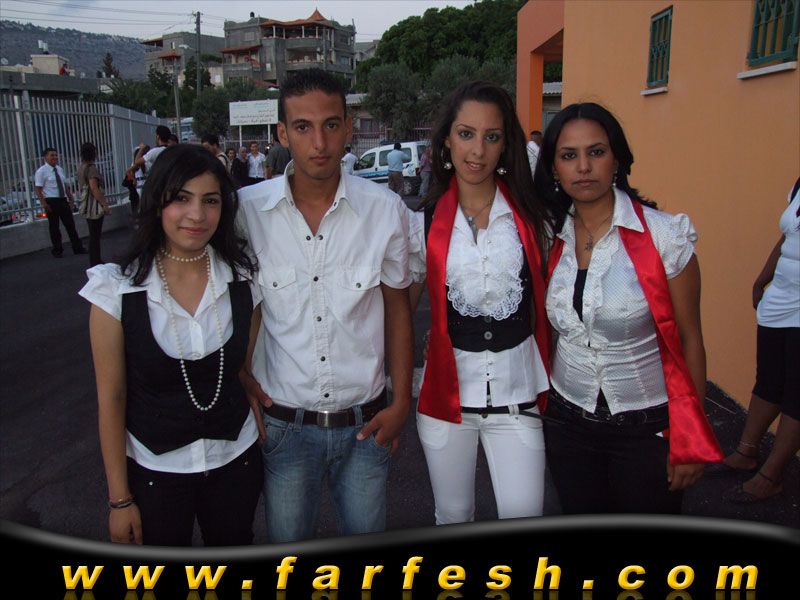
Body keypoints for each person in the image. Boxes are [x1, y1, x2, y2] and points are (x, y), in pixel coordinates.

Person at [236, 68, 413, 543]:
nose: (319, 142)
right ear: (282, 134)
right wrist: (240, 375)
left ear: (348, 127)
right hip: (284, 428)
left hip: (366, 426)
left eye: (331, 125)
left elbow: (398, 309)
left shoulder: (384, 210)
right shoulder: (246, 212)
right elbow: (235, 304)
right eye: (303, 127)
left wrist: (401, 402)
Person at [533, 102, 723, 514]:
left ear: (616, 159)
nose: (584, 167)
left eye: (596, 152)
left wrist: (689, 436)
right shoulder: (549, 236)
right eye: (569, 156)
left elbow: (690, 339)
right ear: (554, 169)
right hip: (567, 425)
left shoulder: (664, 236)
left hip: (646, 429)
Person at [78, 144, 263, 546]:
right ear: (157, 201)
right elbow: (112, 397)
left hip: (236, 461)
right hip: (154, 472)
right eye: (181, 198)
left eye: (210, 200)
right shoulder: (116, 289)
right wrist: (119, 500)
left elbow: (242, 365)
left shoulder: (243, 279)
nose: (197, 215)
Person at [408, 81, 553, 524]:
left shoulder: (533, 218)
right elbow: (398, 308)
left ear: (505, 144)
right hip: (446, 403)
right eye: (466, 134)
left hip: (518, 399)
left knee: (524, 516)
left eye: (492, 136)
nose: (478, 150)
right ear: (447, 140)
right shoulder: (422, 223)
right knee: (453, 516)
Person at [721, 177, 800, 503]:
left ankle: (771, 477)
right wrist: (761, 280)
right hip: (782, 296)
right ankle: (746, 452)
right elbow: (787, 237)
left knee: (796, 391)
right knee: (769, 379)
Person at [34, 147, 87, 258]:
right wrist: (44, 204)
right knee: (54, 227)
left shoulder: (59, 169)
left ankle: (77, 248)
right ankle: (57, 250)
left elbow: (64, 185)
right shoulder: (41, 171)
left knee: (70, 225)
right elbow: (38, 189)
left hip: (63, 200)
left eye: (55, 155)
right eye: (52, 155)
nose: (55, 157)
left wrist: (70, 198)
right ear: (45, 157)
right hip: (51, 201)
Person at [77, 142, 112, 266]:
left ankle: (94, 260)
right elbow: (94, 188)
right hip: (94, 205)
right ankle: (95, 261)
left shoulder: (81, 167)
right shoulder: (92, 169)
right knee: (95, 235)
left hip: (86, 204)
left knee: (93, 233)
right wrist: (105, 205)